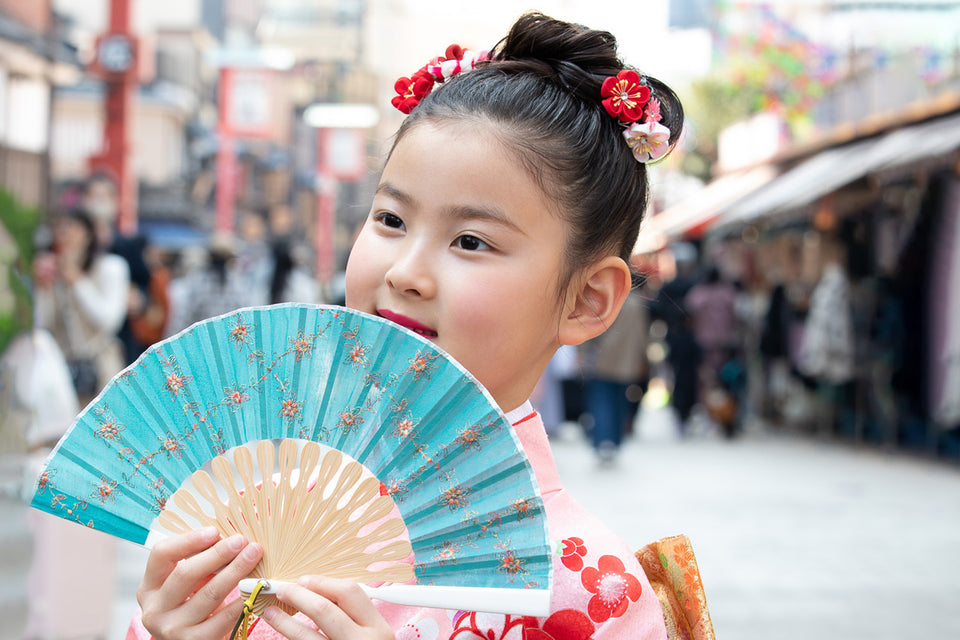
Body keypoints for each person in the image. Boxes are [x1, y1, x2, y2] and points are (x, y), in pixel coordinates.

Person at [130, 13, 704, 640]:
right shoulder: (256, 522)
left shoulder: (589, 590)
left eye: (471, 240)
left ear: (586, 300)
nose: (405, 273)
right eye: (390, 220)